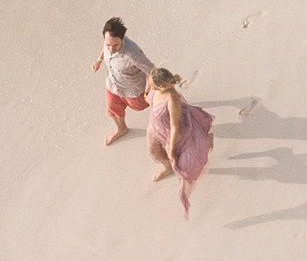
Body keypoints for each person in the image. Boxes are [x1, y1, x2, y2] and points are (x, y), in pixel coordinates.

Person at [144, 68, 215, 218]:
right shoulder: (154, 85)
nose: (150, 86)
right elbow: (148, 79)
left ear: (162, 87)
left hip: (171, 132)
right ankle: (167, 167)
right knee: (153, 152)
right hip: (154, 127)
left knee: (183, 165)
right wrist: (146, 91)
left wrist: (171, 150)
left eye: (152, 85)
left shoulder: (172, 99)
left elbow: (175, 126)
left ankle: (206, 140)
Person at [89, 17, 155, 145]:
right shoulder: (109, 41)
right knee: (112, 109)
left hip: (134, 90)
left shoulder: (133, 55)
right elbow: (105, 48)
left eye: (115, 46)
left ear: (122, 39)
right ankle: (121, 129)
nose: (111, 49)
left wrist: (147, 91)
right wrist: (99, 60)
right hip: (113, 85)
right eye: (108, 45)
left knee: (145, 106)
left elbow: (151, 70)